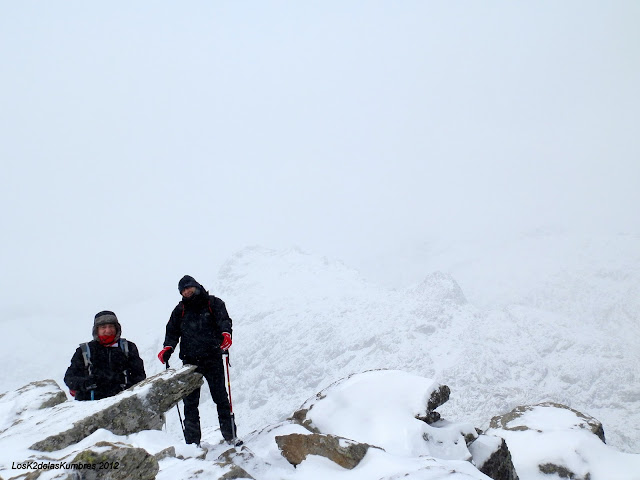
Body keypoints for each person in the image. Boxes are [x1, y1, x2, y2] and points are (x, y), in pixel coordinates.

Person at [157, 275, 236, 445]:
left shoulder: (213, 303)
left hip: (212, 357)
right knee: (190, 404)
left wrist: (226, 333)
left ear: (196, 286)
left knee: (220, 397)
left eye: (188, 288)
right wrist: (168, 347)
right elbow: (172, 331)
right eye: (183, 290)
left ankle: (230, 436)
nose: (186, 291)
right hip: (190, 362)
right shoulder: (180, 310)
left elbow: (224, 320)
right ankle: (193, 444)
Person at [64, 310, 146, 401]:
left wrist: (127, 386)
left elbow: (139, 375)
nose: (108, 330)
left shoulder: (128, 347)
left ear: (117, 328)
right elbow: (70, 378)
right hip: (89, 405)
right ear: (96, 330)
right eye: (103, 327)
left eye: (111, 326)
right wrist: (86, 383)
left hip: (122, 401)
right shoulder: (84, 351)